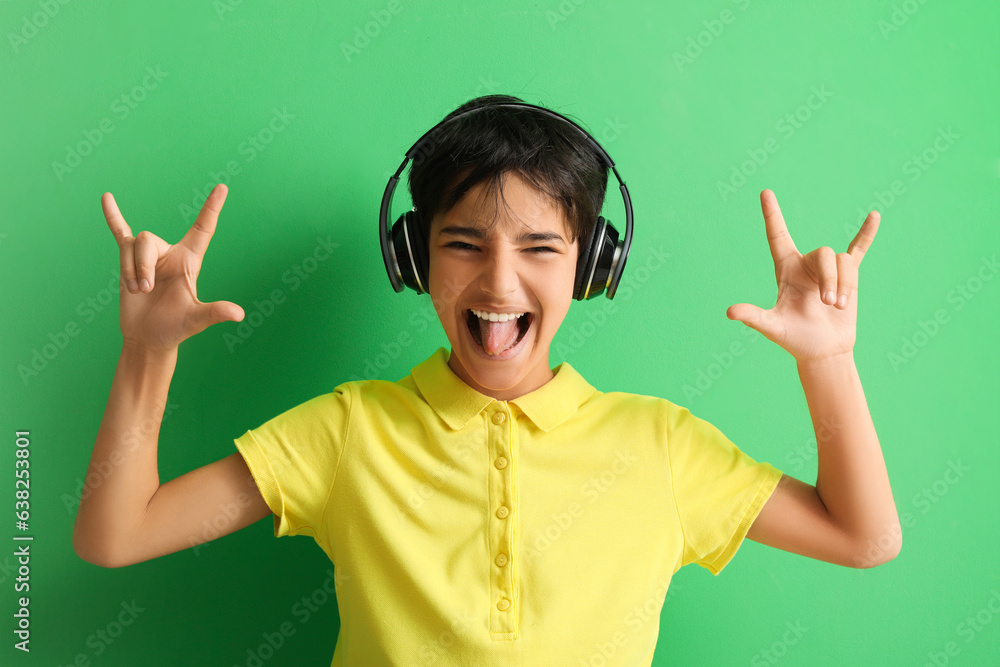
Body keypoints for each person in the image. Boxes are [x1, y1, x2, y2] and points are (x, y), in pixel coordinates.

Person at [73, 94, 900, 666]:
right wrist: (148, 354)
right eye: (463, 243)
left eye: (540, 248)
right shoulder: (348, 431)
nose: (500, 285)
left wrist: (826, 360)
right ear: (412, 258)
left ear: (591, 266)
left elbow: (864, 537)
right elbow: (116, 535)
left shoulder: (661, 445)